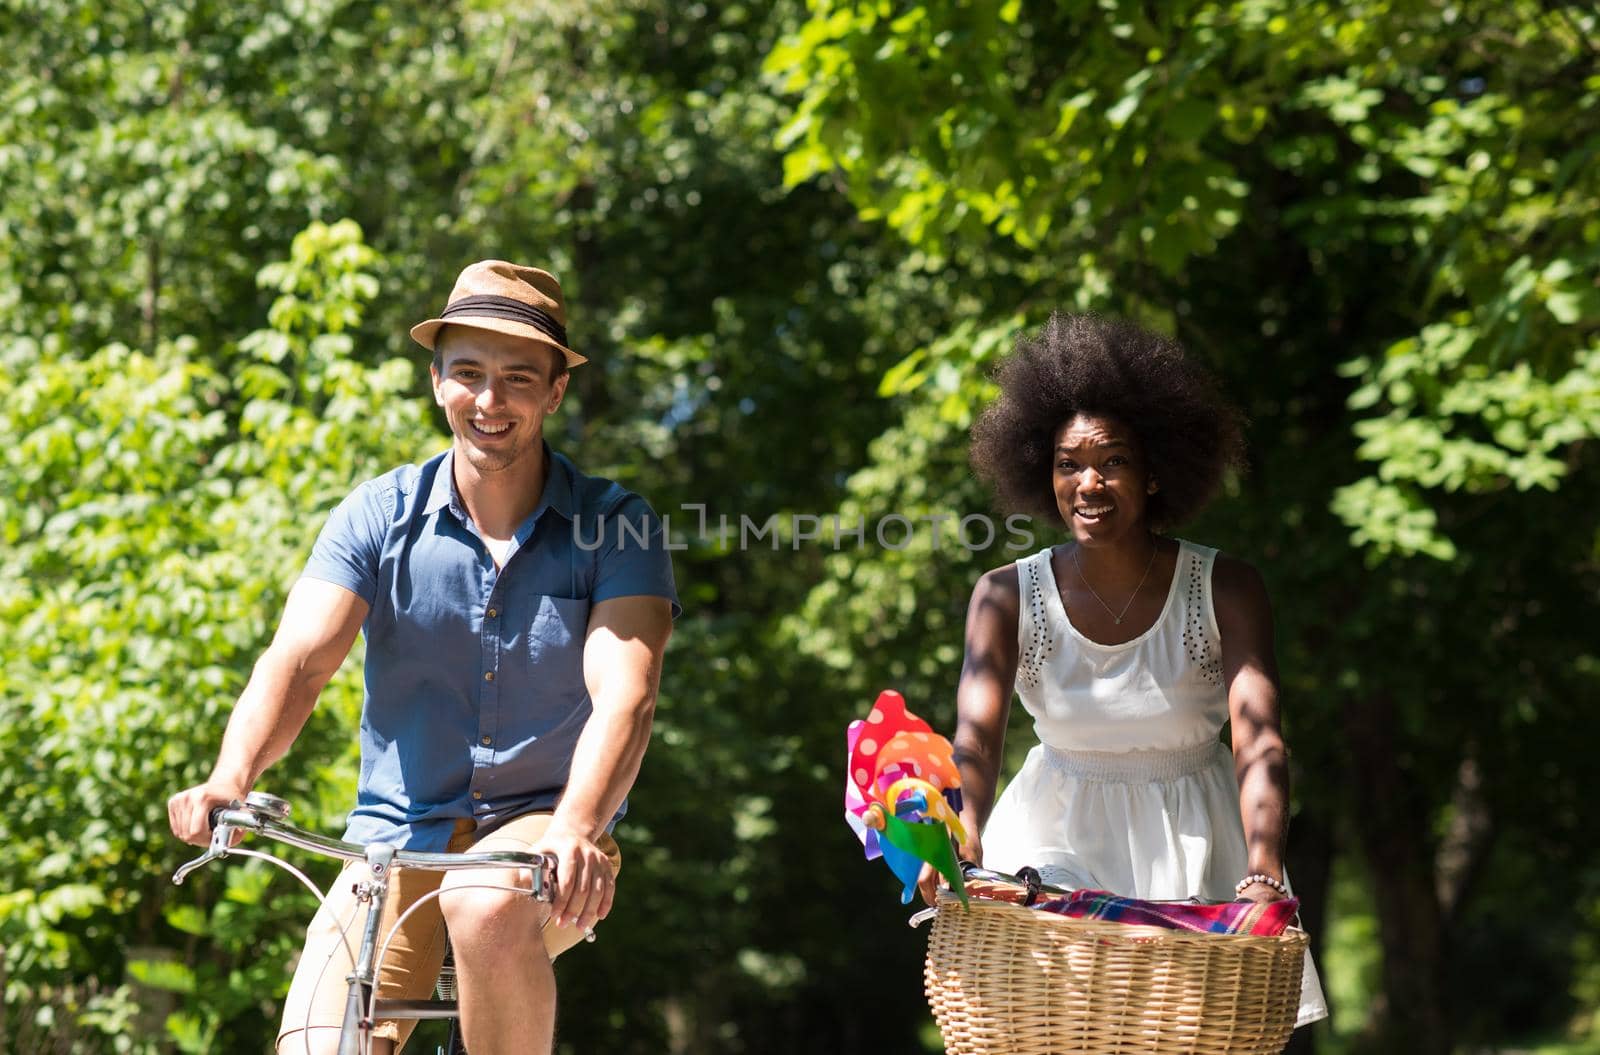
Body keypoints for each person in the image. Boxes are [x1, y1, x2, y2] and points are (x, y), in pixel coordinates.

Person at [168, 260, 679, 1055]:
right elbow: (300, 659)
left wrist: (578, 825)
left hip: (546, 833)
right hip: (395, 838)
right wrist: (232, 776)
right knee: (318, 1042)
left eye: (517, 377)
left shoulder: (617, 525)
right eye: (468, 372)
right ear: (436, 379)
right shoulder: (378, 515)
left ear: (555, 392)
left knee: (484, 898)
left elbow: (627, 693)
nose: (490, 399)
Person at [918, 313, 1328, 1028]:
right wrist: (962, 830)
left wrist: (1262, 870)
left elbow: (1260, 740)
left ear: (1156, 469)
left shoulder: (1225, 586)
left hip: (1193, 844)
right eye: (1068, 462)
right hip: (1052, 838)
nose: (1089, 483)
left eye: (1113, 461)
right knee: (1056, 1028)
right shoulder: (1006, 594)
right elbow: (976, 742)